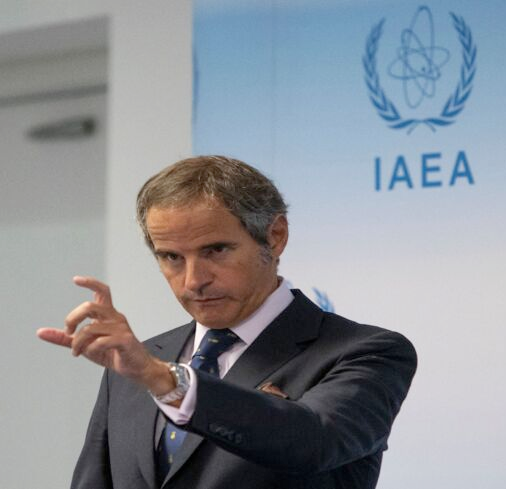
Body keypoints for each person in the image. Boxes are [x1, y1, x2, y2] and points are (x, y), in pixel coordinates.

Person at [37, 155, 417, 489]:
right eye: (171, 257)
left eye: (215, 250)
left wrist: (165, 380)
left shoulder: (367, 352)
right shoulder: (134, 365)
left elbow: (314, 441)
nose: (193, 280)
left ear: (275, 236)